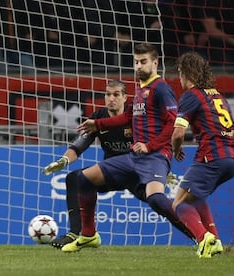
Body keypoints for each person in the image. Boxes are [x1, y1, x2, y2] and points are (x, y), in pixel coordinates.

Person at [61, 43, 192, 252]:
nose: (138, 66)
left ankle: (201, 236)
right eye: (136, 62)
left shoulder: (161, 88)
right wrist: (98, 124)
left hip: (153, 158)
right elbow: (128, 117)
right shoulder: (140, 88)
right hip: (131, 161)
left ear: (155, 63)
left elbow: (172, 123)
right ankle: (87, 234)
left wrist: (150, 146)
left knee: (157, 200)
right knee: (82, 178)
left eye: (143, 62)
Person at [42, 80, 135, 248]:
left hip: (135, 172)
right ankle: (75, 234)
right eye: (108, 94)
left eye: (116, 94)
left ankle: (196, 234)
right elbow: (79, 145)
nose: (111, 98)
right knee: (74, 178)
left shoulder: (135, 118)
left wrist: (158, 168)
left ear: (125, 98)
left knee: (157, 201)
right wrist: (63, 160)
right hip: (111, 173)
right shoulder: (97, 118)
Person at [171, 52, 234, 258]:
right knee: (195, 196)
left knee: (179, 204)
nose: (179, 78)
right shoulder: (218, 95)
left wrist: (176, 149)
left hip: (213, 156)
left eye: (179, 73)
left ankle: (204, 239)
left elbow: (177, 133)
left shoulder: (190, 96)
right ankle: (215, 240)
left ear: (186, 73)